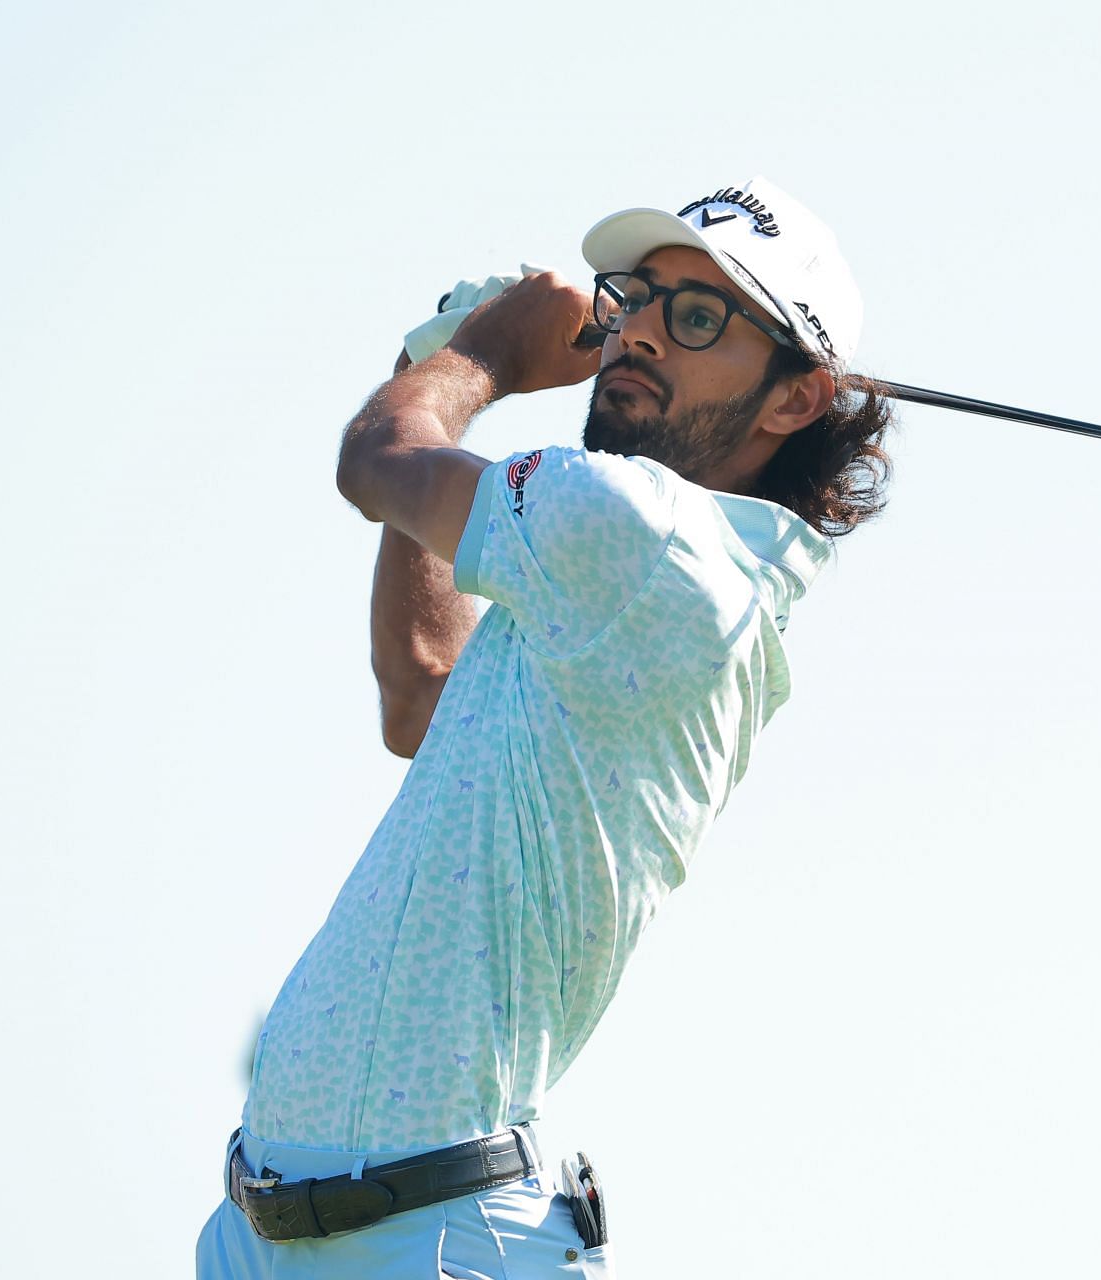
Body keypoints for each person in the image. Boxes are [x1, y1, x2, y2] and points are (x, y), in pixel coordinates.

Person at [197, 177, 892, 1279]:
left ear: (795, 401)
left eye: (699, 317)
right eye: (640, 298)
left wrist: (478, 356)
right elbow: (421, 687)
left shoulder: (643, 537)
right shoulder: (629, 577)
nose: (643, 331)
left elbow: (376, 463)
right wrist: (440, 372)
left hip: (437, 1241)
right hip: (283, 1234)